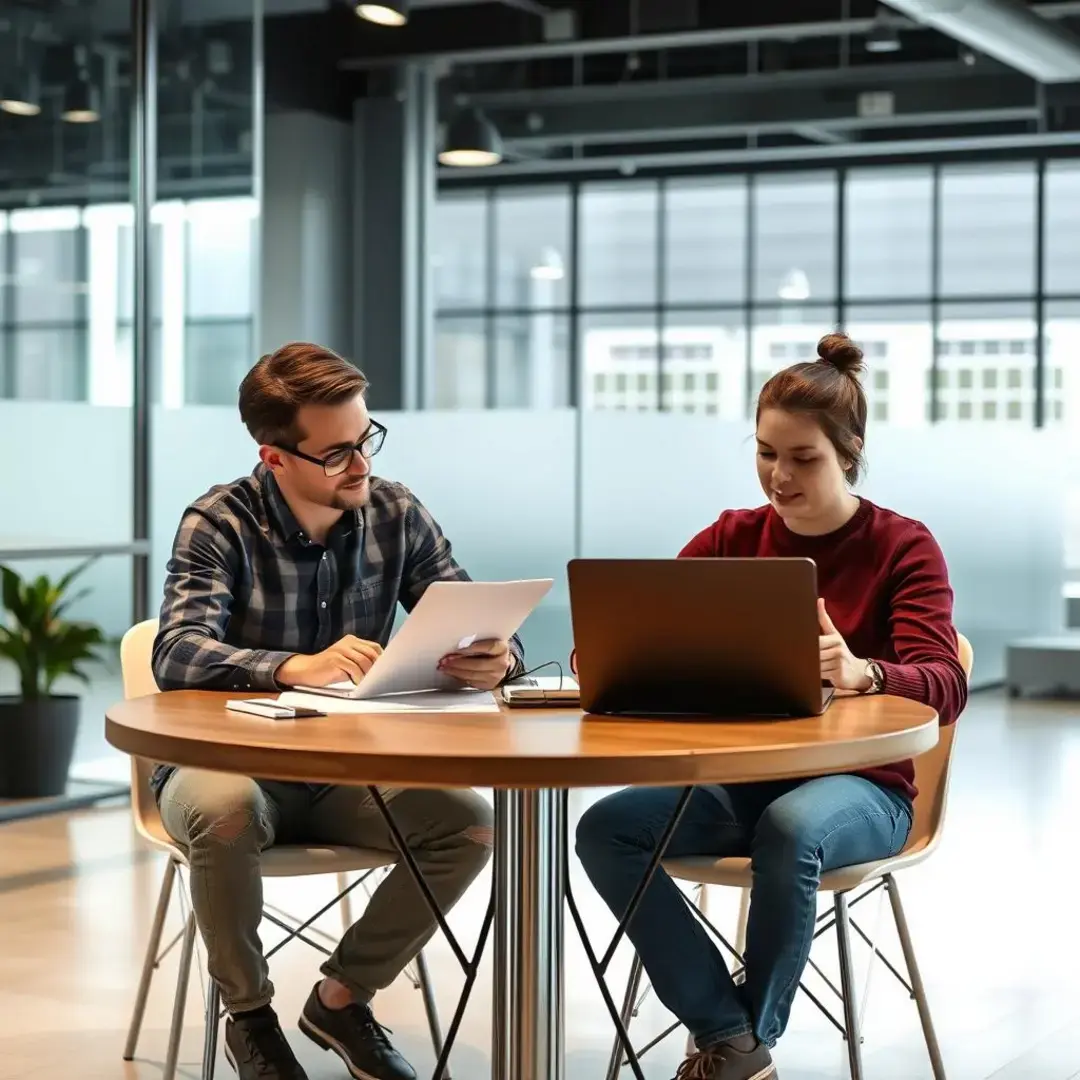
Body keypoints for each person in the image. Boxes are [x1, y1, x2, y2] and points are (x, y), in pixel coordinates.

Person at [574, 333, 969, 1080]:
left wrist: (866, 672)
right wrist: (613, 654)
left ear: (849, 453)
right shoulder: (732, 537)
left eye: (802, 458)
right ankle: (734, 1038)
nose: (778, 477)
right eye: (764, 453)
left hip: (866, 789)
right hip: (739, 781)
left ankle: (741, 1044)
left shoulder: (902, 548)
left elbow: (946, 683)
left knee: (791, 830)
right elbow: (643, 627)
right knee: (607, 830)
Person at [152, 342, 525, 1080]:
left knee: (469, 825)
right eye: (337, 454)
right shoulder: (219, 522)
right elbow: (176, 653)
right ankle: (251, 1021)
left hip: (352, 769)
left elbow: (467, 612)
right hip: (230, 765)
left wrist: (494, 655)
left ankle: (342, 997)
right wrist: (289, 666)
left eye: (366, 440)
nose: (361, 465)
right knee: (225, 812)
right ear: (275, 457)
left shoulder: (393, 510)